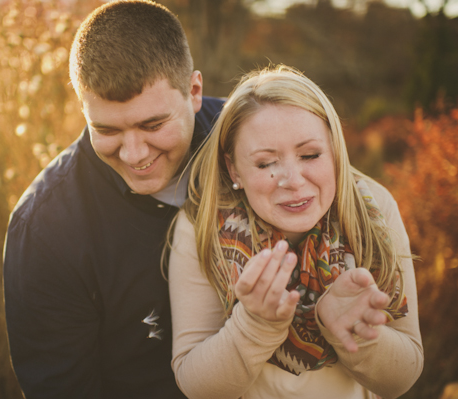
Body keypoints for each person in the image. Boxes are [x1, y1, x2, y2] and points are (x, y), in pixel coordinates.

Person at [2, 1, 224, 398]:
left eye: (153, 124)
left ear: (193, 91)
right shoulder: (45, 230)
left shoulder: (255, 140)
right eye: (106, 130)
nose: (134, 154)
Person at [168, 65, 423, 399]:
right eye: (265, 163)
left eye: (310, 155)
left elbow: (403, 377)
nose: (293, 179)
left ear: (334, 151)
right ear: (234, 169)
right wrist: (254, 325)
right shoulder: (201, 227)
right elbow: (196, 385)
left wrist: (356, 333)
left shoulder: (374, 211)